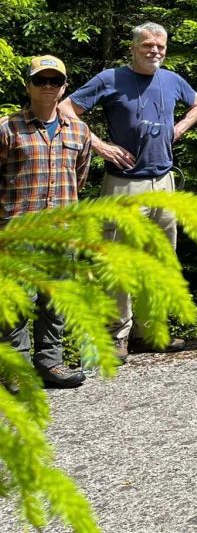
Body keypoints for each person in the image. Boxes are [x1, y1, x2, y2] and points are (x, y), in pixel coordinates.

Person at [60, 22, 197, 359]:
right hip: (124, 185)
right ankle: (117, 335)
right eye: (147, 45)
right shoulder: (110, 79)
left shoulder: (171, 80)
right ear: (133, 48)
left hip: (164, 183)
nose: (154, 51)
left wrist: (180, 127)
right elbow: (66, 108)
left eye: (160, 46)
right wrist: (99, 144)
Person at [1, 57, 92, 388]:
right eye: (41, 80)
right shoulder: (7, 128)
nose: (48, 87)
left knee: (54, 301)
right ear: (28, 86)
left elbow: (79, 178)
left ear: (64, 87)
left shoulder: (80, 131)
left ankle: (50, 363)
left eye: (55, 81)